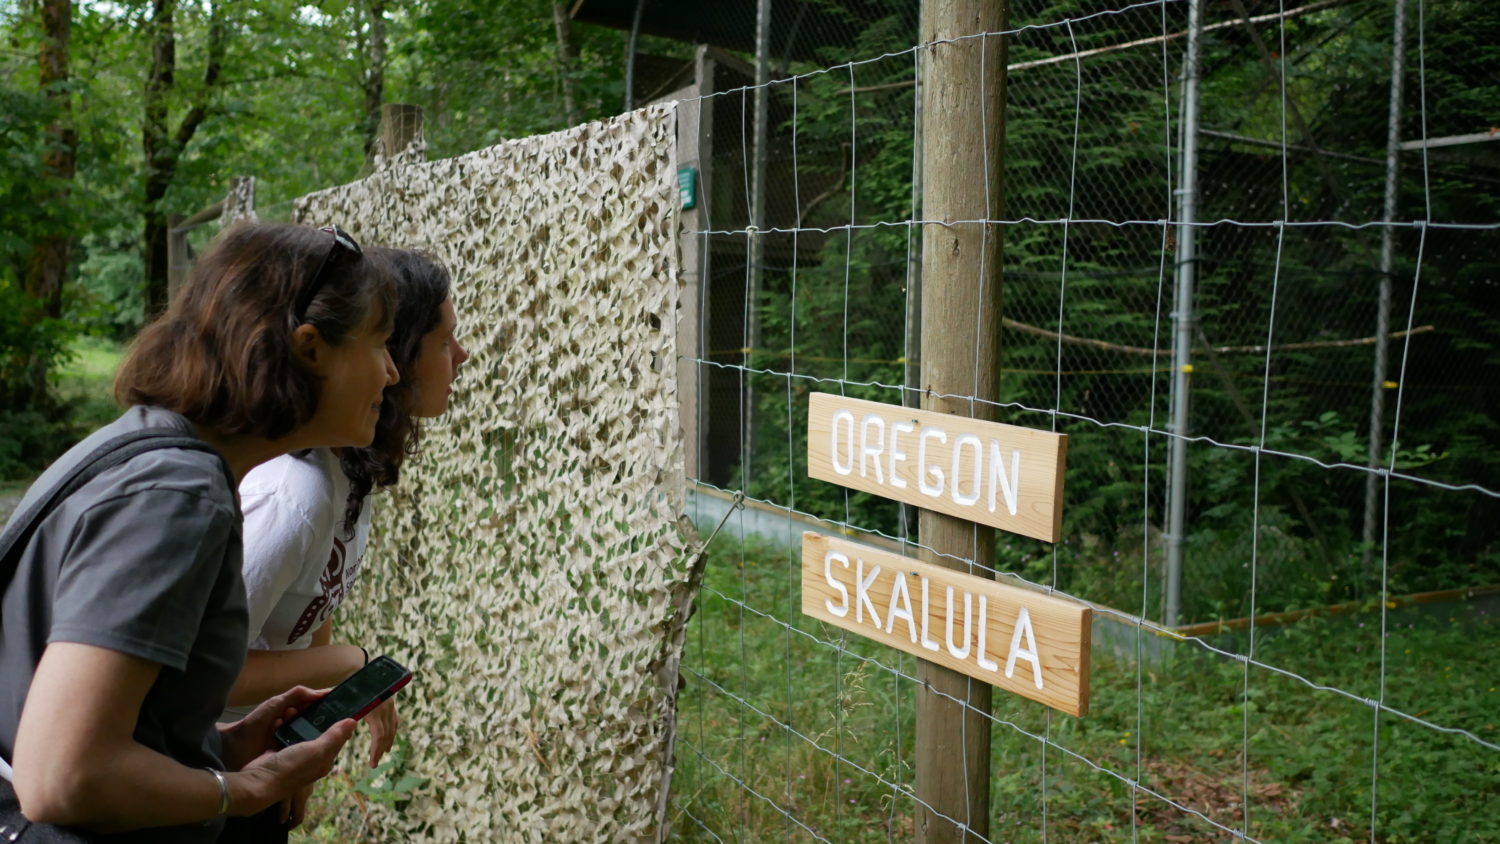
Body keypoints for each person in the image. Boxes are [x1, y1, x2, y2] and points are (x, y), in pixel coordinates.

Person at [0, 221, 398, 842]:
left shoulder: (154, 452)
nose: (392, 373)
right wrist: (246, 791)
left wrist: (222, 745)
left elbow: (104, 724)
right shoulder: (178, 497)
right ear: (311, 348)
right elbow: (59, 776)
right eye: (380, 343)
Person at [219, 248, 468, 836]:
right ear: (398, 358)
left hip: (264, 757)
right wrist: (353, 666)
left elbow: (308, 613)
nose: (461, 356)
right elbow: (208, 671)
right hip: (211, 772)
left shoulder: (349, 469)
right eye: (444, 342)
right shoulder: (292, 498)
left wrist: (300, 750)